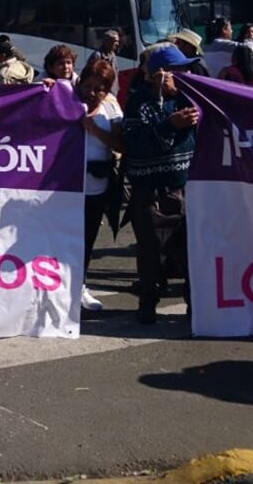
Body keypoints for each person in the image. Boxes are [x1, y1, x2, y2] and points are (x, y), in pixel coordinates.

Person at [122, 45, 199, 325]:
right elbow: (136, 144)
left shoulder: (188, 99)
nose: (185, 74)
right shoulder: (138, 102)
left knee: (191, 252)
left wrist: (190, 117)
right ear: (159, 74)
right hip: (151, 191)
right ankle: (147, 302)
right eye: (178, 70)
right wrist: (169, 125)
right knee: (150, 253)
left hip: (185, 187)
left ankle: (194, 305)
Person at [76, 59, 123, 312]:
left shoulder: (111, 108)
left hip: (96, 187)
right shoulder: (66, 101)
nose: (92, 93)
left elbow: (120, 144)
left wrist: (94, 129)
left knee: (86, 240)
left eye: (99, 89)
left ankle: (80, 287)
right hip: (63, 188)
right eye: (88, 86)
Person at [86, 30, 121, 95]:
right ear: (106, 41)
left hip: (112, 93)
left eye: (118, 41)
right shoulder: (97, 56)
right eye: (115, 41)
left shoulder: (113, 55)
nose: (117, 44)